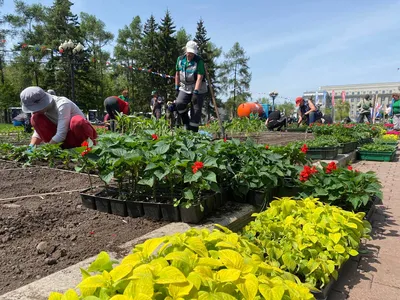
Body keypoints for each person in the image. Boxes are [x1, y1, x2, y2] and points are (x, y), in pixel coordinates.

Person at [20, 86, 97, 149]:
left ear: (42, 103)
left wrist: (46, 149)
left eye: (35, 108)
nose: (33, 111)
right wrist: (31, 146)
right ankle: (60, 149)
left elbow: (61, 133)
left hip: (77, 137)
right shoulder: (40, 111)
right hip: (63, 141)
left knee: (77, 122)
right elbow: (39, 131)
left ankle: (88, 148)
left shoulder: (62, 104)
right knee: (35, 119)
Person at [175, 40, 208, 132]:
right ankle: (185, 121)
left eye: (192, 53)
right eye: (189, 53)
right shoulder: (180, 60)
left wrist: (196, 92)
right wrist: (176, 88)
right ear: (186, 51)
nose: (190, 55)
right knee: (179, 103)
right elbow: (177, 74)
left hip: (198, 87)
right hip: (184, 86)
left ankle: (193, 132)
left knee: (196, 110)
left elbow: (200, 77)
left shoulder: (199, 61)